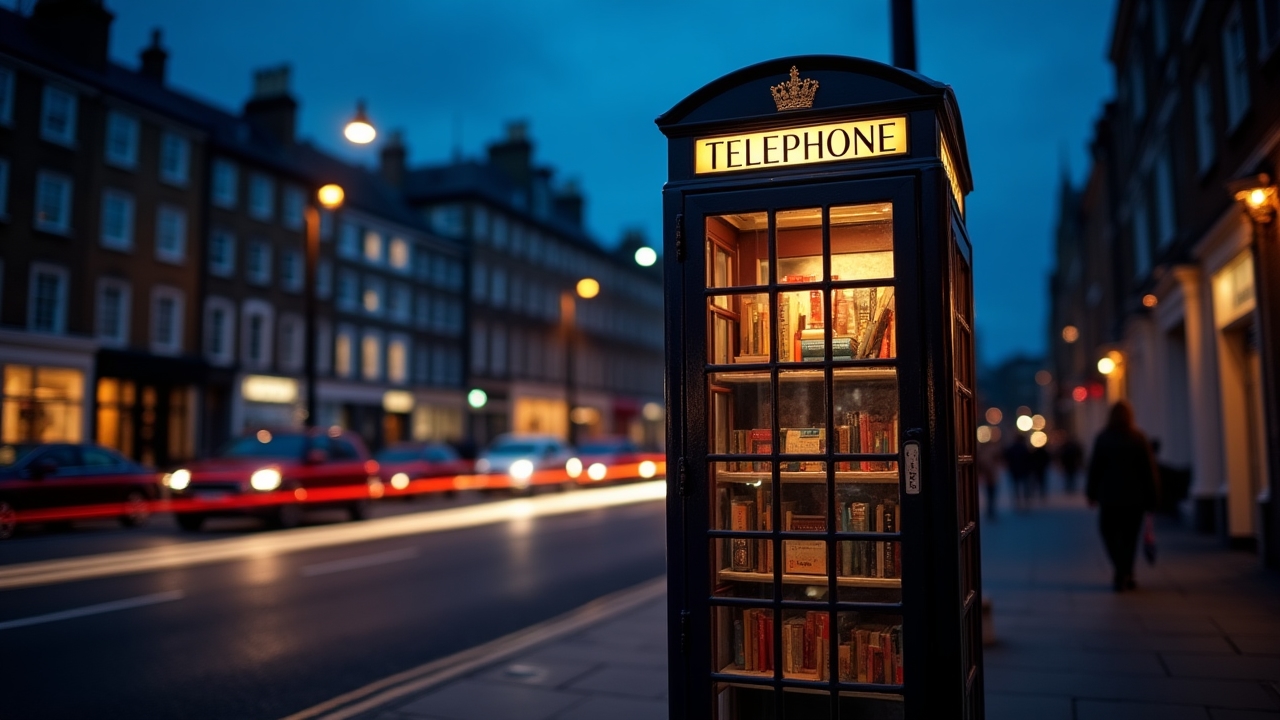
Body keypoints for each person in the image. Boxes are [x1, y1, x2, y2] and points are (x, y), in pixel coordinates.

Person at [1086, 401, 1160, 592]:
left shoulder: (1103, 438)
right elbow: (1148, 470)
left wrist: (1091, 493)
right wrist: (1152, 497)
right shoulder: (1138, 438)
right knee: (1130, 537)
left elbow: (1095, 468)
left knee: (1108, 534)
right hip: (1135, 498)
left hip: (1109, 498)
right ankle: (1127, 571)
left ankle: (1120, 570)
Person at [1003, 436, 1033, 512]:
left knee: (1016, 487)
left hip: (1014, 470)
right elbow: (1029, 459)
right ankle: (1026, 503)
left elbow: (1007, 458)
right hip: (1024, 470)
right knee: (1025, 487)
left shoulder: (1012, 448)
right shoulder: (1025, 448)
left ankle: (1018, 503)